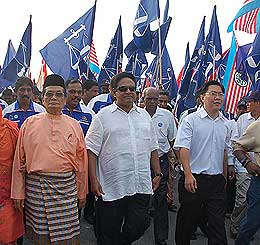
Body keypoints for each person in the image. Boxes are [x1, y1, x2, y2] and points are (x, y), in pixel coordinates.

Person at [86, 72, 162, 245]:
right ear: (113, 92)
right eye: (123, 88)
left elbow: (153, 147)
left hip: (140, 183)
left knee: (139, 225)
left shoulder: (144, 116)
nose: (128, 92)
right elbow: (91, 150)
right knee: (107, 233)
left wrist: (157, 173)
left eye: (132, 89)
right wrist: (93, 180)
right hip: (111, 186)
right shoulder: (102, 116)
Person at [11, 74, 88, 244]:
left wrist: (82, 192)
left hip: (66, 190)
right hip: (36, 189)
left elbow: (82, 164)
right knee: (40, 238)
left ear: (65, 98)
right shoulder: (29, 124)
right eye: (49, 94)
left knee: (68, 239)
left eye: (59, 94)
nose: (54, 98)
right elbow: (19, 161)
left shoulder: (74, 125)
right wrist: (17, 192)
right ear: (41, 98)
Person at [174, 80, 233, 245]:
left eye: (220, 94)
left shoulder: (226, 124)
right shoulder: (191, 120)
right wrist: (187, 174)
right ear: (202, 97)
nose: (217, 98)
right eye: (213, 94)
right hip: (194, 180)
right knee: (187, 222)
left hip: (216, 182)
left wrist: (224, 177)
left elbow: (224, 151)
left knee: (217, 225)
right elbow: (183, 148)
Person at [143, 87, 177, 245]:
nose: (152, 102)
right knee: (140, 197)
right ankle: (138, 228)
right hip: (141, 162)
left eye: (155, 99)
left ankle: (161, 237)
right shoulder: (137, 115)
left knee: (161, 199)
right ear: (143, 99)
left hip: (161, 161)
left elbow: (172, 140)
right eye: (148, 98)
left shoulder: (167, 116)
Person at [230, 91, 260, 239]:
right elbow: (235, 143)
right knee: (242, 199)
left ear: (258, 103)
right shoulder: (243, 120)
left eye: (250, 101)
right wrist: (244, 162)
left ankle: (248, 226)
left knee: (252, 204)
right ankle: (236, 225)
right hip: (246, 168)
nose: (247, 104)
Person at [0, 106, 24, 244]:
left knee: (8, 238)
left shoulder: (11, 129)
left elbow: (20, 162)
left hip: (8, 195)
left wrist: (19, 192)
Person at [158, 90, 179, 212]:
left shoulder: (169, 116)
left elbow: (172, 138)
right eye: (160, 101)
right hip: (147, 156)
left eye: (165, 101)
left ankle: (168, 201)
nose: (162, 104)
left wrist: (174, 156)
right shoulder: (143, 114)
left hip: (165, 154)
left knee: (168, 180)